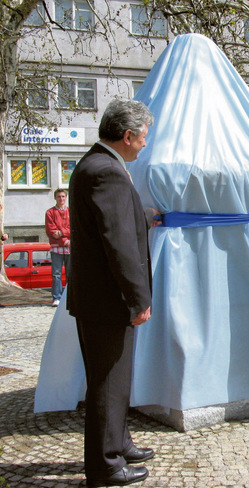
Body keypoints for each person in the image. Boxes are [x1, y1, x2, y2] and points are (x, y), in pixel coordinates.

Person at [67, 99, 160, 487]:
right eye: (142, 138)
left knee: (113, 381)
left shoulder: (94, 165)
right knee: (108, 385)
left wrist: (143, 216)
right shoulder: (108, 172)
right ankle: (105, 466)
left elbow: (112, 221)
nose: (143, 145)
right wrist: (138, 299)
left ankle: (119, 443)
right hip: (110, 302)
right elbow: (118, 243)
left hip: (96, 299)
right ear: (126, 136)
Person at [45, 188, 71, 307]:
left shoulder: (71, 211)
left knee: (71, 273)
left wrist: (62, 232)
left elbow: (74, 228)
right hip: (57, 247)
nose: (61, 199)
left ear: (66, 198)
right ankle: (57, 297)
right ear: (55, 198)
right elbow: (51, 231)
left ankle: (71, 297)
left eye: (63, 196)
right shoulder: (50, 212)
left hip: (70, 248)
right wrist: (64, 240)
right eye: (59, 196)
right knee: (56, 273)